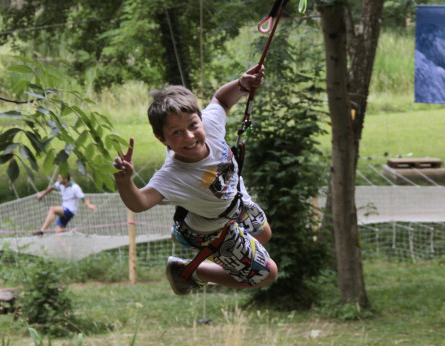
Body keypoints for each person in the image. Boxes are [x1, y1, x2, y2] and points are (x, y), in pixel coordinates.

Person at [112, 64, 278, 295]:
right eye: (176, 132)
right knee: (267, 274)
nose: (189, 136)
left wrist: (242, 85)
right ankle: (188, 271)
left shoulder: (210, 125)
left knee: (264, 234)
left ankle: (218, 250)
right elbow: (139, 203)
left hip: (236, 204)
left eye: (192, 125)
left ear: (200, 119)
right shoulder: (172, 175)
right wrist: (124, 180)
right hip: (210, 229)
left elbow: (221, 100)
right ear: (162, 138)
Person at [33, 173, 97, 235]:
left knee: (52, 209)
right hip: (64, 211)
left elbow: (84, 198)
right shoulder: (60, 184)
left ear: (65, 179)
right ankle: (66, 246)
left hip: (70, 211)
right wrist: (42, 195)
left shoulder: (75, 188)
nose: (58, 179)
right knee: (58, 236)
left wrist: (89, 205)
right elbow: (52, 187)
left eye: (59, 178)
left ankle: (41, 231)